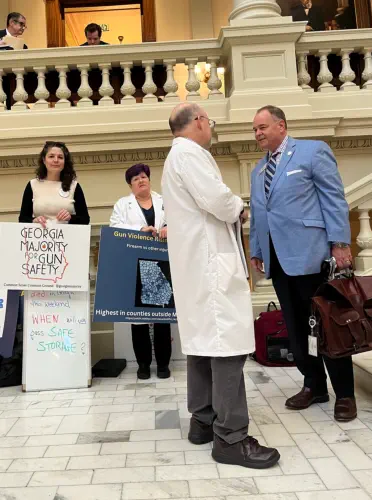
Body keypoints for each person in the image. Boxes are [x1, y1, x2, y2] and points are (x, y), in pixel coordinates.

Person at [162, 102, 280, 469]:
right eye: (208, 122)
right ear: (198, 122)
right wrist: (239, 208)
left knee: (201, 344)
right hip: (210, 266)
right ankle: (231, 437)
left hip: (197, 266)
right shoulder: (190, 154)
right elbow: (216, 199)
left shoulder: (175, 158)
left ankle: (203, 421)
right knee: (227, 346)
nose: (210, 128)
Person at [250, 105, 356, 422]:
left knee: (329, 326)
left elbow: (334, 198)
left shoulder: (312, 152)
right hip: (279, 262)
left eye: (262, 127)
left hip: (313, 258)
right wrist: (257, 249)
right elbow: (258, 216)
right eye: (254, 129)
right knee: (297, 330)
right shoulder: (258, 171)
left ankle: (346, 394)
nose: (257, 134)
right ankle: (314, 385)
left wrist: (340, 243)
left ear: (281, 125)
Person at [110, 163, 172, 380]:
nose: (141, 180)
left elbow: (182, 221)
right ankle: (143, 364)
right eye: (136, 179)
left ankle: (163, 364)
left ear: (149, 180)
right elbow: (115, 228)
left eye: (144, 176)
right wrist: (139, 231)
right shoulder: (122, 205)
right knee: (139, 319)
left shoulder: (165, 201)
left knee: (162, 317)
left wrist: (167, 228)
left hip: (160, 265)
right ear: (130, 185)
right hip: (135, 264)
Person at [19, 141, 90, 227]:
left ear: (64, 162)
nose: (56, 160)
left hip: (68, 237)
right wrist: (34, 221)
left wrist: (70, 218)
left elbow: (85, 219)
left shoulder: (74, 186)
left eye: (60, 157)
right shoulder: (32, 185)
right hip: (39, 237)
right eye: (51, 156)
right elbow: (22, 219)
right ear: (44, 160)